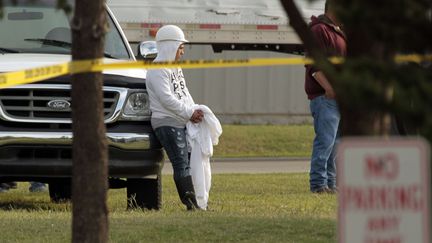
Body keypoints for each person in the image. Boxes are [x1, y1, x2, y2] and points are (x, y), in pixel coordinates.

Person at [146, 25, 204, 210]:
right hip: (166, 122)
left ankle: (196, 203)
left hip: (180, 120)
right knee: (181, 163)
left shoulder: (175, 67)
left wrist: (195, 110)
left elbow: (183, 93)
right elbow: (166, 99)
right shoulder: (158, 69)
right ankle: (191, 206)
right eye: (180, 47)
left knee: (187, 162)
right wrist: (188, 113)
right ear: (170, 46)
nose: (182, 51)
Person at [305, 0, 346, 193]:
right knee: (325, 142)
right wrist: (329, 88)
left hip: (338, 98)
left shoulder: (338, 31)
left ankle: (331, 183)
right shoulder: (319, 30)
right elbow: (313, 66)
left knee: (335, 144)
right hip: (325, 98)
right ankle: (318, 184)